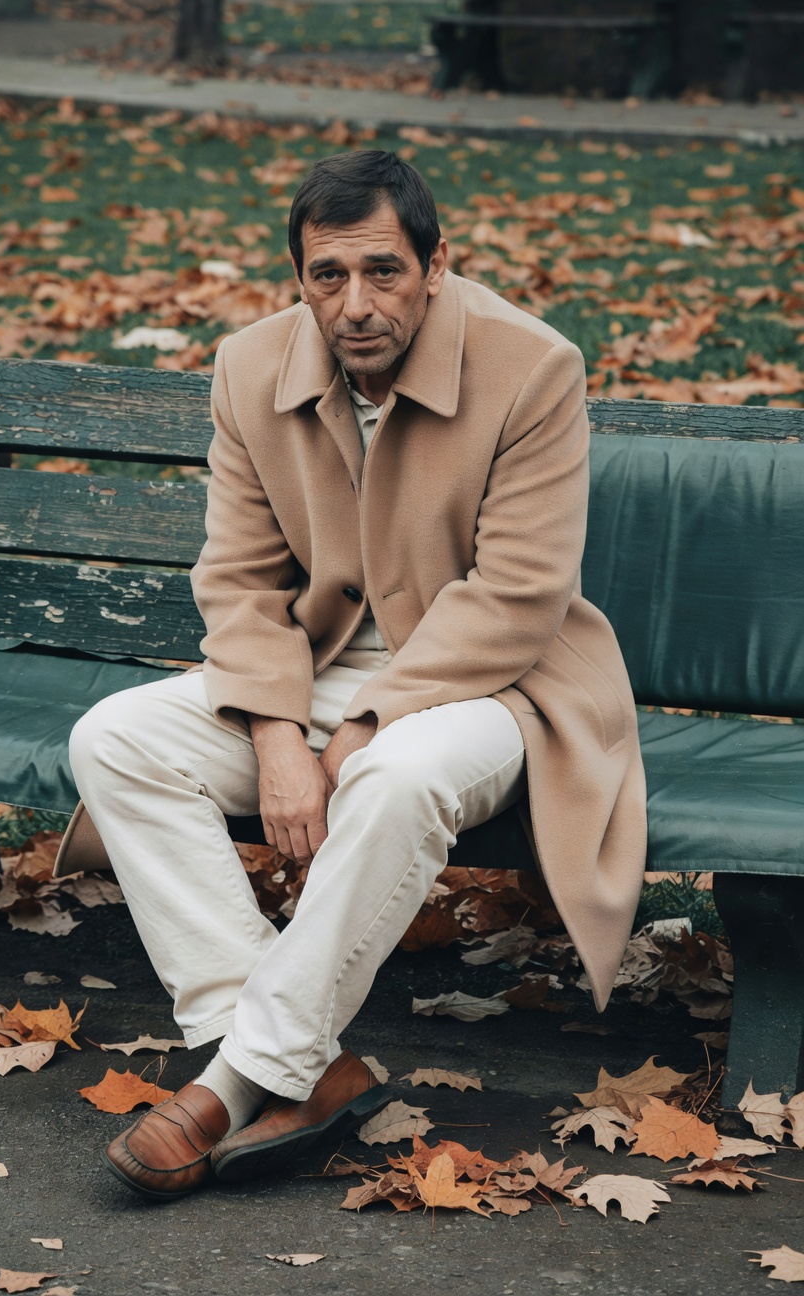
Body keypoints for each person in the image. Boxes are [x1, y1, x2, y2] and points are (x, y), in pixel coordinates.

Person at [64, 149, 647, 1202]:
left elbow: (517, 594)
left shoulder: (534, 366)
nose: (356, 303)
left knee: (397, 777)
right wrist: (278, 733)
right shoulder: (252, 366)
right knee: (115, 736)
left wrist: (365, 724)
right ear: (298, 278)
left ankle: (232, 1082)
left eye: (383, 271)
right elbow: (240, 581)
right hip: (320, 666)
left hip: (498, 683)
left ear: (434, 265)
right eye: (327, 276)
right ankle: (306, 1066)